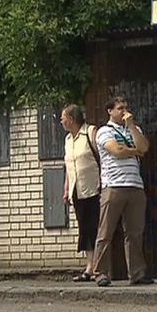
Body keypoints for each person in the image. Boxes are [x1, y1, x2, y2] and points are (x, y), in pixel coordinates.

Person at [91, 96, 154, 287]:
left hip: (135, 184)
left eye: (126, 107)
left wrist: (132, 126)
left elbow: (144, 147)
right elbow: (116, 151)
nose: (124, 111)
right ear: (110, 111)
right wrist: (134, 151)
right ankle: (101, 272)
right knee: (106, 231)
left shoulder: (134, 129)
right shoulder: (104, 131)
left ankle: (136, 273)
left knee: (135, 232)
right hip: (114, 185)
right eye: (120, 108)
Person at [61, 104, 101, 282]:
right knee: (84, 228)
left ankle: (98, 267)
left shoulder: (90, 132)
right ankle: (89, 267)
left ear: (71, 119)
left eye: (63, 118)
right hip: (76, 190)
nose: (61, 121)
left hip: (93, 187)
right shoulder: (68, 140)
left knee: (96, 227)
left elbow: (102, 158)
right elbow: (70, 166)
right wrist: (66, 188)